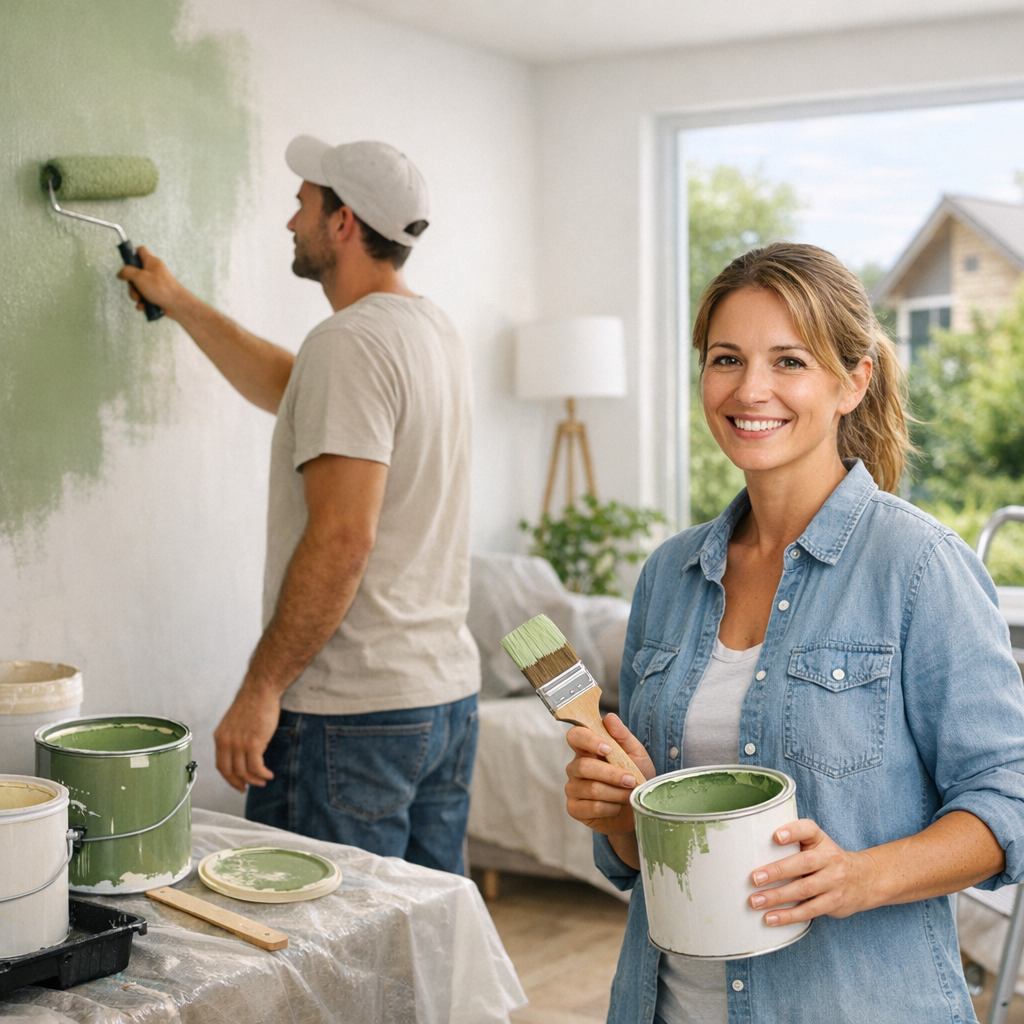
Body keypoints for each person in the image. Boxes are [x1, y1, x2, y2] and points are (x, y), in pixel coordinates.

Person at [564, 242, 1024, 1023]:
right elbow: (652, 862)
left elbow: (1009, 797)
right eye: (726, 358)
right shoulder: (667, 578)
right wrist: (616, 816)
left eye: (788, 361)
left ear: (852, 381)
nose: (751, 389)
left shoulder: (918, 568)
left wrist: (863, 876)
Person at [119, 136, 481, 873]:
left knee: (326, 954)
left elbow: (344, 537)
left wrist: (261, 687)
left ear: (342, 222)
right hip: (441, 699)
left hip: (350, 714)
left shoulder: (347, 344)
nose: (291, 221)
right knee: (412, 948)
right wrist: (179, 300)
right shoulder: (429, 329)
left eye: (302, 204)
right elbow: (292, 389)